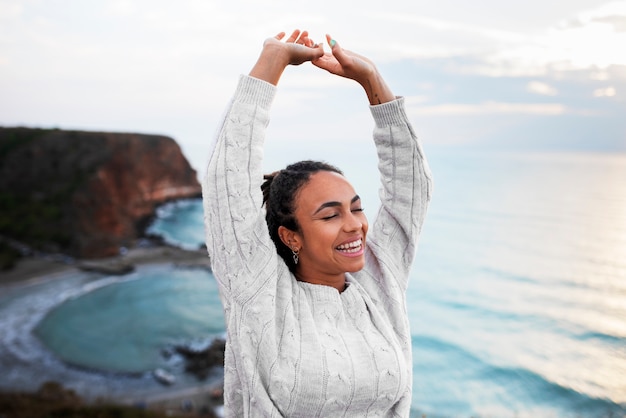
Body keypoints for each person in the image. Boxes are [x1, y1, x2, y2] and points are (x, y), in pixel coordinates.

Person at [202, 29, 433, 417]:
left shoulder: (378, 285)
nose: (355, 225)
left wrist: (371, 80)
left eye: (356, 209)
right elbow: (226, 180)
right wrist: (271, 61)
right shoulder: (258, 291)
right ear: (290, 236)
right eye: (330, 214)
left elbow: (410, 191)